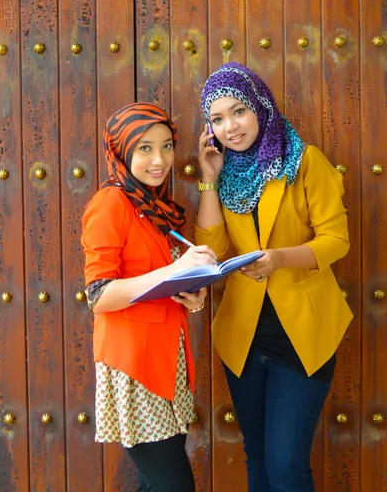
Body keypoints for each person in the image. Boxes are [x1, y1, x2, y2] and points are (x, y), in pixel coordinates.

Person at [195, 62, 353, 492]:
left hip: (301, 339)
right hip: (244, 339)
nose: (230, 127)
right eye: (217, 119)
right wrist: (208, 180)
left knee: (286, 468)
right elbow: (213, 249)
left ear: (260, 106)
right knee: (259, 459)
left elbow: (337, 240)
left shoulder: (304, 162)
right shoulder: (223, 172)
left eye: (239, 111)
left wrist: (279, 258)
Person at [81, 102, 217, 492]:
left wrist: (188, 294)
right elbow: (99, 294)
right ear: (121, 150)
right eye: (144, 148)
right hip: (133, 366)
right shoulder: (110, 203)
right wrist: (174, 271)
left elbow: (153, 283)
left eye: (167, 146)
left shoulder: (155, 207)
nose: (160, 160)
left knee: (153, 485)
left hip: (166, 360)